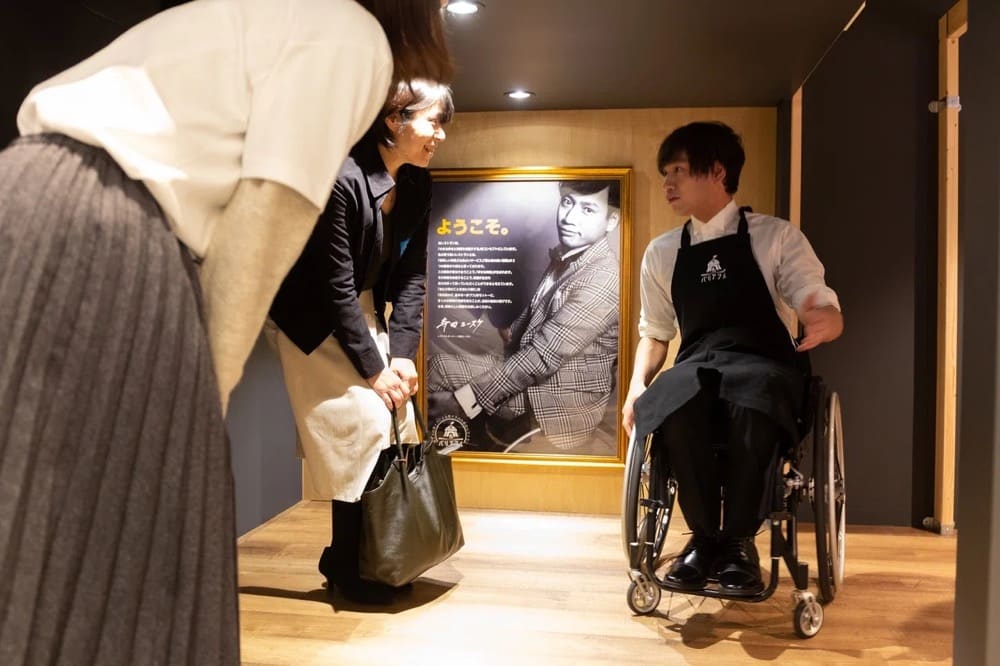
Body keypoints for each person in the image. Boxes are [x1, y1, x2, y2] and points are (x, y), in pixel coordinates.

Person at [0, 1, 451, 662]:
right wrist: (200, 402)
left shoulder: (271, 14)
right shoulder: (350, 37)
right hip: (106, 224)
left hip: (27, 192)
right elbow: (259, 237)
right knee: (136, 530)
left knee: (38, 510)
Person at [622, 121, 843, 596]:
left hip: (763, 361)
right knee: (673, 400)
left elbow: (808, 291)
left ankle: (739, 541)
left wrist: (823, 315)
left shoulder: (774, 237)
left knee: (754, 395)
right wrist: (638, 385)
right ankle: (704, 540)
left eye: (679, 171)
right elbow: (656, 332)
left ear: (718, 172)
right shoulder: (662, 252)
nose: (667, 183)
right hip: (698, 364)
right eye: (665, 173)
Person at [269, 78, 453, 604]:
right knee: (366, 426)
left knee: (395, 423)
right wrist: (374, 370)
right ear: (395, 120)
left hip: (362, 305)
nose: (440, 135)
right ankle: (349, 566)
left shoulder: (416, 183)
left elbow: (412, 275)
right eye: (433, 121)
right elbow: (334, 287)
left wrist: (402, 354)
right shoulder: (342, 178)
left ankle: (370, 559)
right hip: (313, 318)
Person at [427, 180, 620, 452]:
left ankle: (448, 459)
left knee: (449, 391)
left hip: (555, 402)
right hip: (538, 377)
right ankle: (439, 458)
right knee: (436, 367)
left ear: (611, 221)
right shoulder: (569, 257)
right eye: (567, 203)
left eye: (588, 209)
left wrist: (464, 401)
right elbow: (529, 324)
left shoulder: (604, 278)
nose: (569, 217)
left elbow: (541, 356)